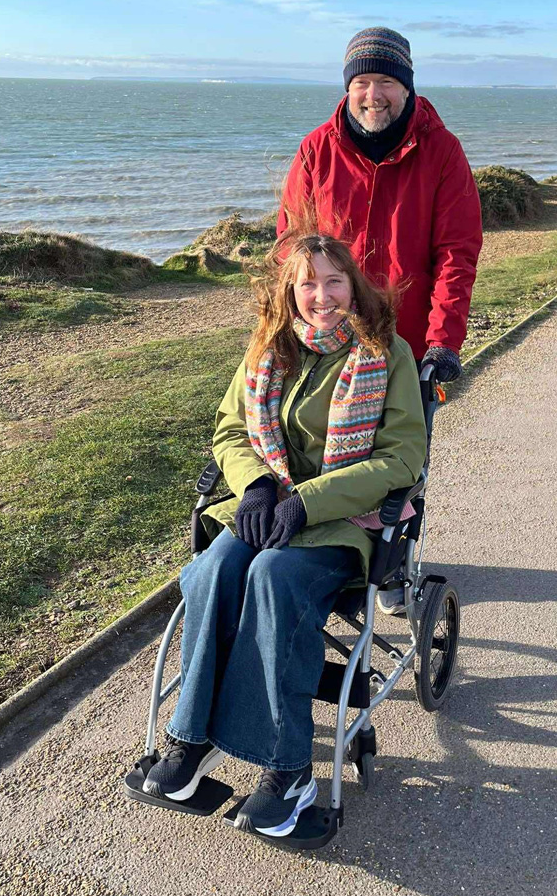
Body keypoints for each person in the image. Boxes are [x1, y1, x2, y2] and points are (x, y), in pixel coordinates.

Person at [142, 234, 427, 837]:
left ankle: (288, 768)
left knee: (271, 577)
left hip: (340, 523)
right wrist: (257, 487)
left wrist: (309, 501)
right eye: (307, 284)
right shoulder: (268, 349)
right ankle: (189, 741)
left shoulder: (388, 352)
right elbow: (229, 431)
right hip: (266, 507)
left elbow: (401, 459)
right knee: (214, 570)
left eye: (333, 282)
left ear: (354, 285)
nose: (320, 296)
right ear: (288, 291)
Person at [278, 27, 482, 382]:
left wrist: (444, 341)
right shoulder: (316, 149)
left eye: (386, 80)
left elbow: (456, 254)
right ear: (348, 87)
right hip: (330, 344)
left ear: (406, 86)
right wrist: (286, 326)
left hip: (409, 347)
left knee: (405, 439)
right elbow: (291, 247)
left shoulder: (443, 151)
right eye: (361, 82)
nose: (373, 94)